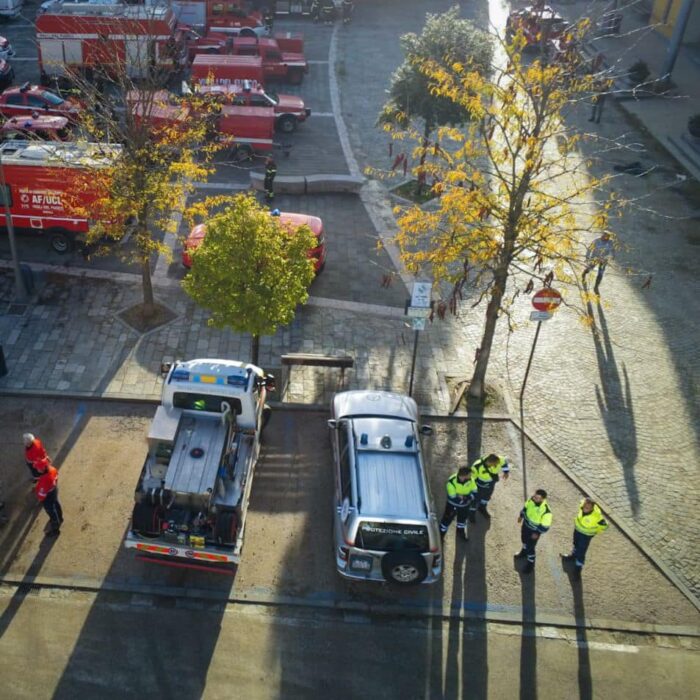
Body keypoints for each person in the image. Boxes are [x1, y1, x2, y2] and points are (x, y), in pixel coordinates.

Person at [562, 497, 608, 580]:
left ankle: (578, 570)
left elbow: (605, 526)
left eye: (587, 508)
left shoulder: (597, 517)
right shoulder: (582, 505)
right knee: (575, 544)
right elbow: (583, 500)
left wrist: (594, 532)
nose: (584, 509)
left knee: (581, 552)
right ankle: (573, 556)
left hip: (586, 536)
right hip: (577, 531)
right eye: (584, 506)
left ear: (592, 508)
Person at [515, 489, 553, 573]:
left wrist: (537, 532)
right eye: (535, 496)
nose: (534, 498)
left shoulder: (546, 511)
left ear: (543, 499)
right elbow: (525, 508)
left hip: (534, 532)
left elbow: (545, 526)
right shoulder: (531, 500)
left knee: (530, 547)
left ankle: (530, 564)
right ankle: (524, 552)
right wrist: (521, 516)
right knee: (524, 540)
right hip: (525, 526)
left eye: (537, 498)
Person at [439, 466, 477, 541]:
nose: (471, 476)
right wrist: (467, 497)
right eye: (469, 474)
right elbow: (453, 497)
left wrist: (464, 497)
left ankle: (460, 532)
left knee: (462, 520)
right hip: (452, 506)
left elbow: (475, 491)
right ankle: (440, 535)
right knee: (446, 521)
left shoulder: (471, 480)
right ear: (464, 475)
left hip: (465, 506)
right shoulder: (451, 482)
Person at [469, 453, 510, 521]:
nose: (496, 465)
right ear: (489, 462)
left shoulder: (499, 459)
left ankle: (482, 508)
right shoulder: (477, 466)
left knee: (486, 497)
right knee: (475, 500)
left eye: (497, 463)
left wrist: (506, 472)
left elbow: (504, 463)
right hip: (480, 485)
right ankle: (471, 513)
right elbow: (472, 479)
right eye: (494, 464)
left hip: (491, 483)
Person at [35, 461, 63, 536]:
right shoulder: (52, 469)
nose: (36, 468)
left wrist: (41, 500)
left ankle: (55, 529)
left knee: (51, 511)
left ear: (42, 469)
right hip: (54, 491)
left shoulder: (44, 481)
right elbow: (56, 475)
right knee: (56, 503)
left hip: (47, 497)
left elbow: (41, 494)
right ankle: (60, 517)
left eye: (38, 467)